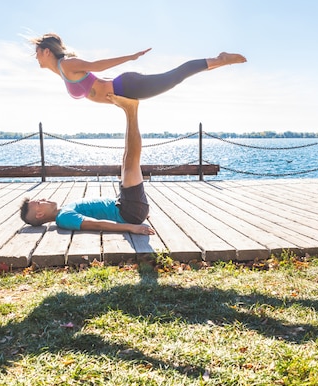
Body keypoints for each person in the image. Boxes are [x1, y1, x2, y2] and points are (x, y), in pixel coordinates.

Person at [20, 94, 155, 235]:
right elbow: (95, 225)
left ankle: (129, 109)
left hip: (128, 207)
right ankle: (131, 109)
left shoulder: (64, 210)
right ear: (40, 214)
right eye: (39, 202)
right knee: (130, 161)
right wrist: (131, 227)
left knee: (126, 160)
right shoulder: (63, 217)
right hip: (129, 212)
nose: (43, 199)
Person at [32, 33, 247, 104]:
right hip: (123, 89)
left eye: (38, 51)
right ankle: (220, 62)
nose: (36, 57)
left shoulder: (67, 65)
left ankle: (220, 59)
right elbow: (95, 79)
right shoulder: (61, 71)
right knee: (175, 78)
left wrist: (130, 57)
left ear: (47, 51)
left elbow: (96, 65)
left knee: (175, 77)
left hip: (126, 86)